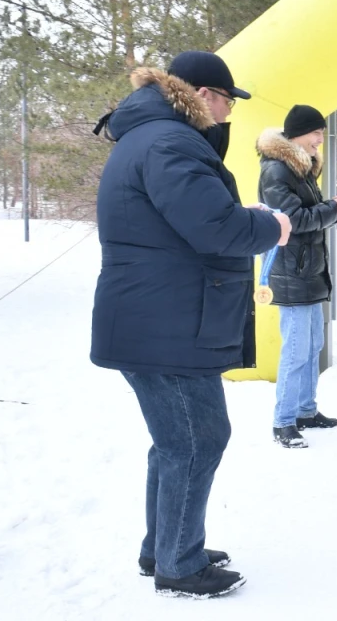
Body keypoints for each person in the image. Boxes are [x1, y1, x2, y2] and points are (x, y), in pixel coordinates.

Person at [92, 51, 292, 599]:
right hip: (167, 319)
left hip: (160, 314)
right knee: (198, 440)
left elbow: (188, 219)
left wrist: (241, 217)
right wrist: (269, 224)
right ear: (203, 94)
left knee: (176, 440)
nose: (228, 114)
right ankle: (179, 564)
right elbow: (215, 228)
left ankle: (166, 545)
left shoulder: (153, 136)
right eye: (227, 101)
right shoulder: (170, 142)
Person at [257, 105, 337, 449]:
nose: (321, 139)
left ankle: (305, 410)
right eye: (316, 133)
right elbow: (293, 220)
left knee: (313, 346)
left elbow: (310, 215)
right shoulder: (277, 171)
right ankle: (283, 422)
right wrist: (333, 209)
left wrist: (336, 206)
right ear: (298, 134)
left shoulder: (301, 170)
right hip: (292, 273)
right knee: (295, 351)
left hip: (309, 272)